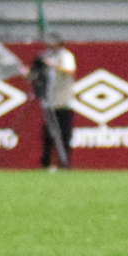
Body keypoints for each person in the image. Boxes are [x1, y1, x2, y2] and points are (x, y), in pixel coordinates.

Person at [35, 32, 76, 170]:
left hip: (63, 100)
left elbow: (70, 71)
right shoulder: (44, 55)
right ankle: (46, 162)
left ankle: (64, 162)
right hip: (49, 100)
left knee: (64, 133)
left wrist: (54, 65)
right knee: (48, 133)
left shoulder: (66, 56)